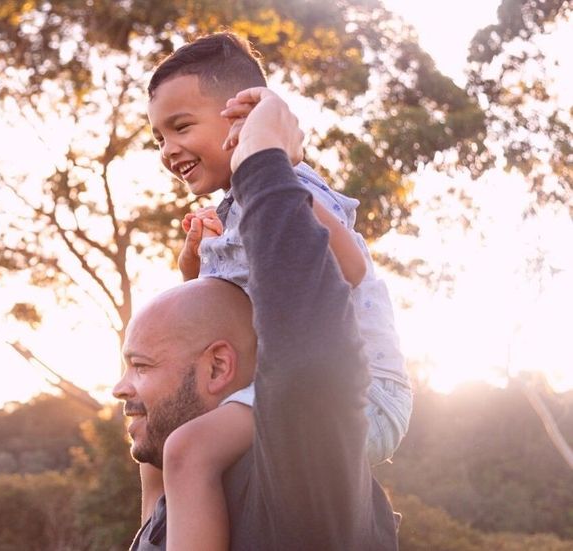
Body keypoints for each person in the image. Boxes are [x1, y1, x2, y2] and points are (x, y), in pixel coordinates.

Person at [139, 33, 412, 550]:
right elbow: (223, 318)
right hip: (291, 389)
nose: (169, 149)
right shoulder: (237, 205)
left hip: (361, 395)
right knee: (158, 440)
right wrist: (194, 267)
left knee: (188, 451)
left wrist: (271, 180)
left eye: (182, 127)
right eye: (158, 137)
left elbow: (351, 267)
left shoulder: (288, 186)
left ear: (240, 119)